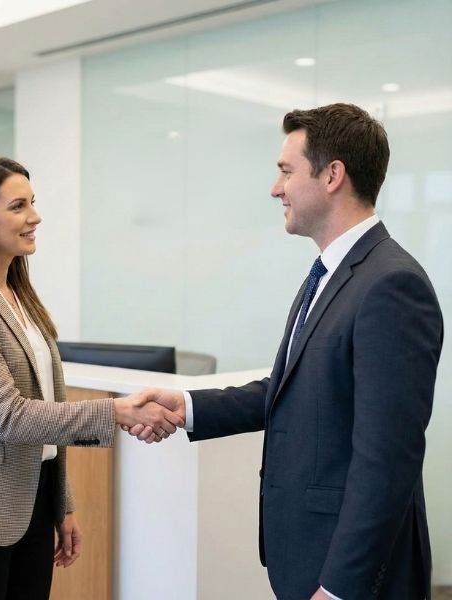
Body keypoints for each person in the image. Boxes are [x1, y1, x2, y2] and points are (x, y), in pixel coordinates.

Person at [127, 104, 443, 600]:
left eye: (286, 171)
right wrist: (188, 407)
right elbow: (294, 390)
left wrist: (340, 587)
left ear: (333, 174)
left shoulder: (392, 285)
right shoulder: (330, 273)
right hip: (305, 556)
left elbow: (387, 460)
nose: (276, 188)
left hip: (352, 577)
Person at [0, 155, 182, 600]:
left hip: (31, 508)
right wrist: (116, 410)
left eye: (32, 203)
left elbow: (45, 411)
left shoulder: (18, 294)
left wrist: (61, 504)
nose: (35, 216)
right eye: (18, 206)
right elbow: (9, 417)